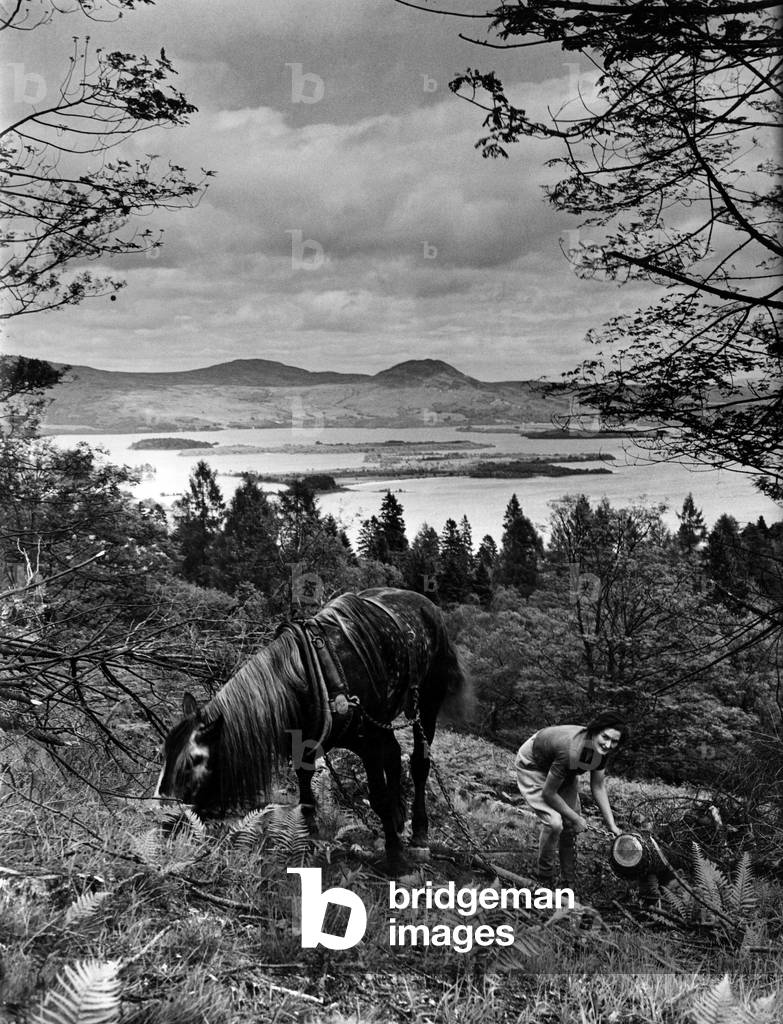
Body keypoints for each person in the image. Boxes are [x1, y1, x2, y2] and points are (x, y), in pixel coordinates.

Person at [515, 712, 629, 889]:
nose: (608, 745)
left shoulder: (602, 750)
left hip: (562, 770)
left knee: (569, 826)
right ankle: (544, 878)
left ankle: (569, 882)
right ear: (594, 732)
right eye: (605, 737)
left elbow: (598, 786)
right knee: (555, 823)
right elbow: (549, 794)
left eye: (614, 742)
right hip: (534, 765)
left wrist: (612, 825)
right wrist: (576, 819)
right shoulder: (571, 750)